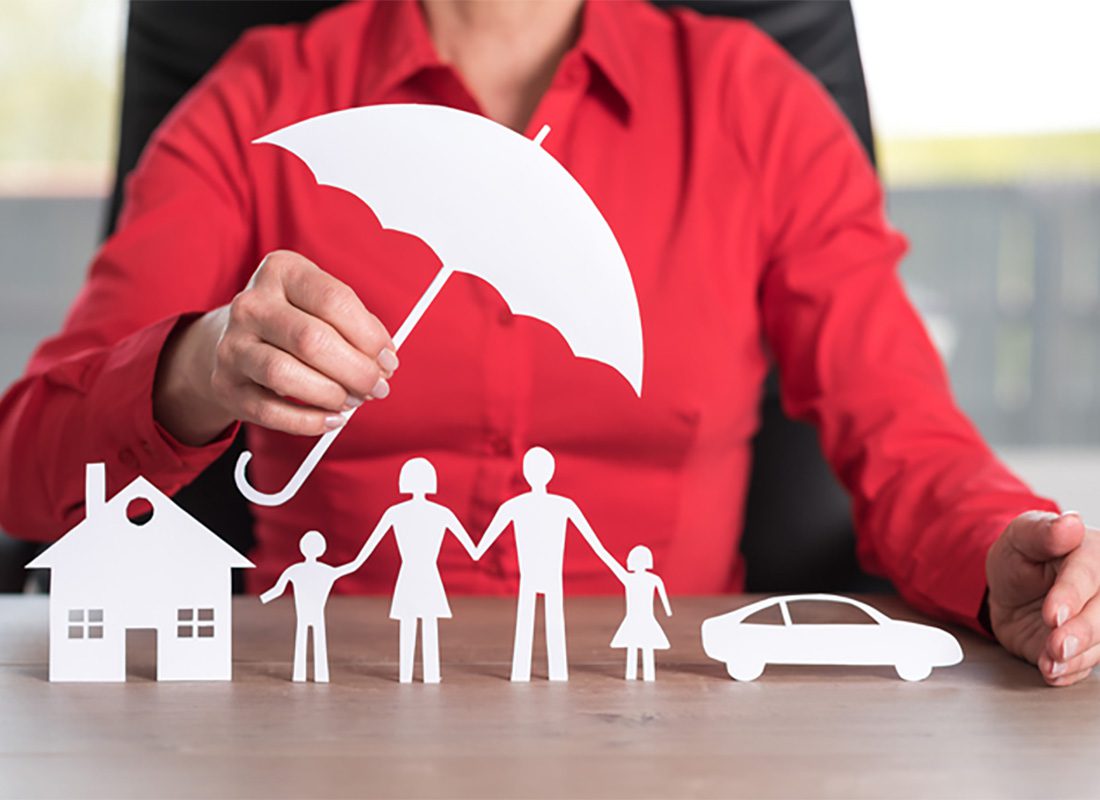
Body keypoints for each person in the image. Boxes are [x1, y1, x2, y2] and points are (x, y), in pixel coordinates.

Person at [0, 0, 1097, 687]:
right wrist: (194, 365)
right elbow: (24, 470)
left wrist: (1008, 550)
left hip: (659, 700)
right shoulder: (261, 99)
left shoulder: (755, 107)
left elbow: (908, 441)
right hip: (323, 695)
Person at [475, 446, 623, 681]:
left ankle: (522, 673)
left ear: (525, 472)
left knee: (526, 624)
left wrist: (464, 546)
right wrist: (620, 571)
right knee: (554, 624)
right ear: (550, 472)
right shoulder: (562, 505)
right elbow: (596, 545)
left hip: (531, 576)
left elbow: (480, 547)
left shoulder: (514, 506)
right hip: (550, 576)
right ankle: (554, 672)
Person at [355, 457, 479, 683]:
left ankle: (406, 674)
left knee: (409, 623)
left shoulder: (396, 512)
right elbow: (473, 549)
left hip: (410, 575)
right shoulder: (442, 513)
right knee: (428, 624)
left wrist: (350, 566)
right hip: (426, 575)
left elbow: (367, 549)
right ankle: (429, 674)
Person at [259, 529, 362, 682]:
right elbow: (352, 566)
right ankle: (319, 675)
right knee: (318, 644)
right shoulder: (326, 571)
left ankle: (301, 675)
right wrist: (364, 555)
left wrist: (263, 598)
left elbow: (277, 590)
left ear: (302, 547)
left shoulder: (295, 570)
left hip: (304, 614)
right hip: (316, 614)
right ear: (322, 549)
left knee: (302, 643)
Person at [611, 545, 672, 682]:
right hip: (637, 619)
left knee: (639, 646)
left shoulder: (637, 579)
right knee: (640, 646)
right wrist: (668, 611)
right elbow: (664, 599)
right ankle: (637, 675)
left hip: (642, 619)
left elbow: (663, 597)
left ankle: (641, 675)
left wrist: (668, 610)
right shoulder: (648, 579)